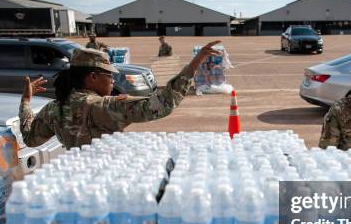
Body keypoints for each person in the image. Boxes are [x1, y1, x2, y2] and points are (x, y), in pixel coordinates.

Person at [19, 41, 222, 149]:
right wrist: (195, 63)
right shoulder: (103, 107)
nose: (113, 81)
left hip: (76, 184)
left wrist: (26, 102)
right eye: (110, 76)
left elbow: (30, 139)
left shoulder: (54, 108)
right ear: (92, 78)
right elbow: (163, 104)